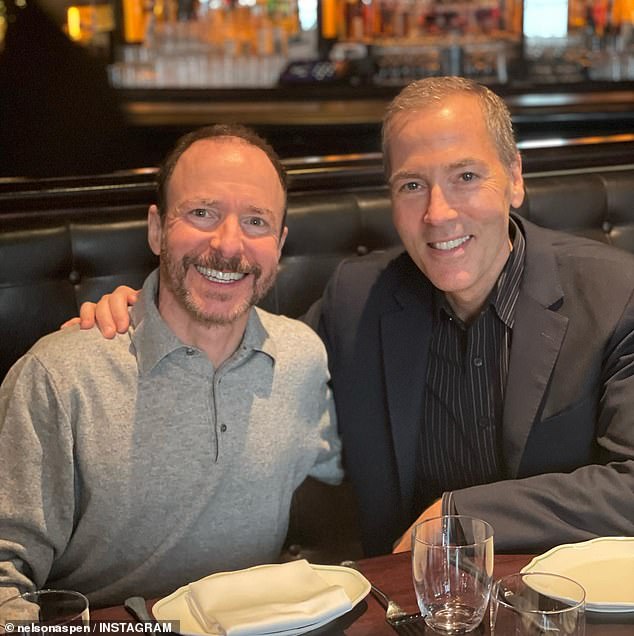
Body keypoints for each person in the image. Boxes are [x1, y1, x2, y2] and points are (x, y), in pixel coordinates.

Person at [68, 77, 634, 557]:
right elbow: (243, 353)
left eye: (465, 176)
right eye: (412, 185)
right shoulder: (357, 299)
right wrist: (147, 311)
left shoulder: (614, 294)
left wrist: (458, 516)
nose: (438, 214)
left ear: (514, 176)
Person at [0, 124, 342, 609]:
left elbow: (350, 488)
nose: (228, 245)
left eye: (256, 222)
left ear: (280, 244)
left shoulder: (301, 356)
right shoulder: (59, 375)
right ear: (158, 230)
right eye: (202, 213)